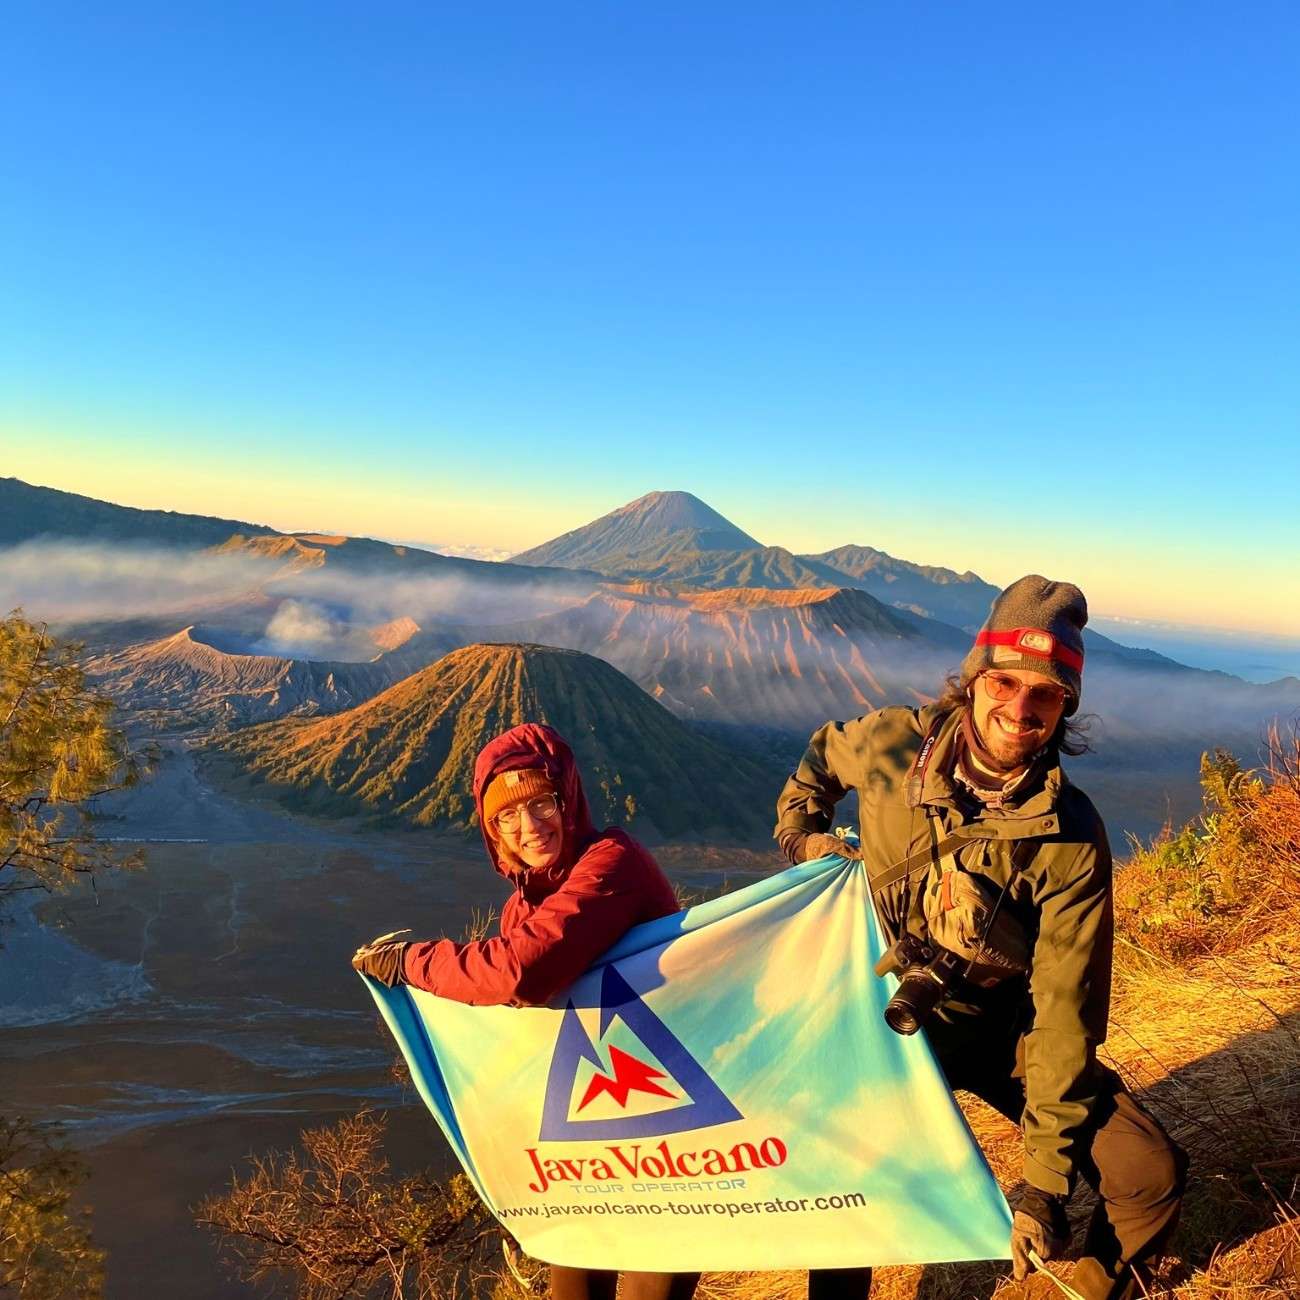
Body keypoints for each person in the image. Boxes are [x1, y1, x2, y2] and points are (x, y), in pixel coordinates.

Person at [775, 576, 1187, 1300]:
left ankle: (1083, 1286)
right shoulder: (890, 745)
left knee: (1146, 1173)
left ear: (1066, 707)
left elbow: (1065, 1013)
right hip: (889, 1014)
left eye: (1047, 694)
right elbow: (820, 758)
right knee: (853, 1179)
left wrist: (1044, 1187)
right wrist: (802, 833)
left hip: (1006, 1028)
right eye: (1004, 681)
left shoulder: (1070, 837)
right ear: (973, 680)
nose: (1020, 708)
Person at [351, 721, 699, 1300]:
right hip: (593, 1135)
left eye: (541, 804)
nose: (528, 827)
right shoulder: (523, 903)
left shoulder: (614, 863)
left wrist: (414, 963)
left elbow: (521, 973)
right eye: (506, 817)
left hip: (677, 1125)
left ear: (568, 801)